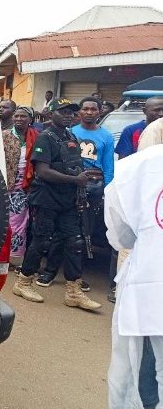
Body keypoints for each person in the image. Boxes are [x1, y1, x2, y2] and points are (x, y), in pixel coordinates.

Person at [11, 98, 101, 310]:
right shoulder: (45, 138)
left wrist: (82, 178)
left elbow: (73, 165)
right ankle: (23, 282)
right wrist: (74, 180)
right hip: (46, 199)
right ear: (51, 115)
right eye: (63, 112)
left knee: (75, 242)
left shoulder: (70, 136)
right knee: (41, 241)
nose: (69, 115)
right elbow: (43, 172)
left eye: (71, 112)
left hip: (68, 200)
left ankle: (73, 291)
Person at [105, 126, 163, 408]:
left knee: (140, 374)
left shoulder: (135, 169)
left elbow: (121, 236)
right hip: (150, 289)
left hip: (150, 289)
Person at [36, 97, 114, 288]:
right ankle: (50, 272)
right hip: (68, 187)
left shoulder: (107, 137)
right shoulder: (70, 133)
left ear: (100, 112)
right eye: (85, 109)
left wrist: (107, 191)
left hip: (93, 188)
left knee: (83, 235)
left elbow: (108, 167)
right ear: (80, 113)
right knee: (60, 233)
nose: (89, 112)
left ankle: (77, 277)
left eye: (93, 109)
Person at [2, 106, 38, 270]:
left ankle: (15, 257)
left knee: (20, 222)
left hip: (24, 186)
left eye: (23, 116)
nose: (18, 119)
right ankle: (1, 255)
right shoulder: (5, 136)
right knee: (4, 221)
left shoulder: (37, 137)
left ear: (30, 119)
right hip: (6, 183)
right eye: (16, 116)